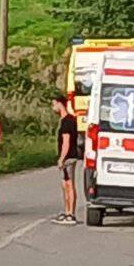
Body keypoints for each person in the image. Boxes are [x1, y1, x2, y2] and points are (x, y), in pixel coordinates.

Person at [51, 95, 79, 225]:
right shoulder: (67, 120)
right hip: (68, 157)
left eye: (54, 105)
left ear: (60, 104)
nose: (53, 108)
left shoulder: (67, 121)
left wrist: (62, 158)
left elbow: (66, 142)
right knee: (65, 185)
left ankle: (71, 214)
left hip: (69, 158)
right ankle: (67, 211)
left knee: (69, 185)